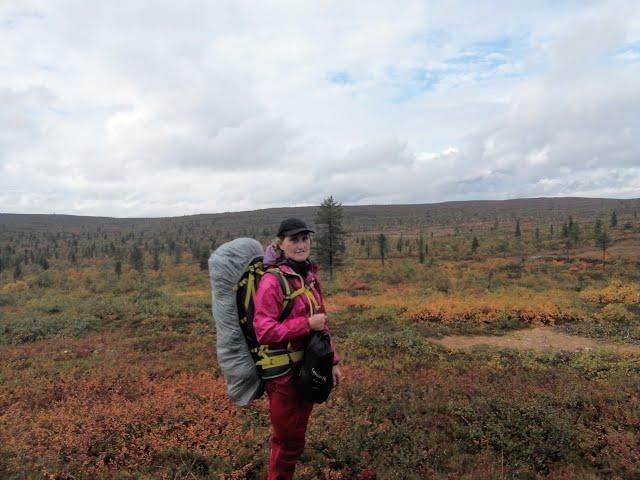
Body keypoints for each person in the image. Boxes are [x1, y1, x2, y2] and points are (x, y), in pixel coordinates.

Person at [253, 217, 343, 480]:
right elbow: (264, 331)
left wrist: (333, 361)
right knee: (287, 442)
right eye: (294, 239)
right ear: (281, 244)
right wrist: (305, 324)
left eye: (305, 238)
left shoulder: (309, 276)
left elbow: (322, 323)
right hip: (282, 376)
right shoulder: (272, 281)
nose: (301, 244)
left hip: (308, 368)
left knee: (294, 437)